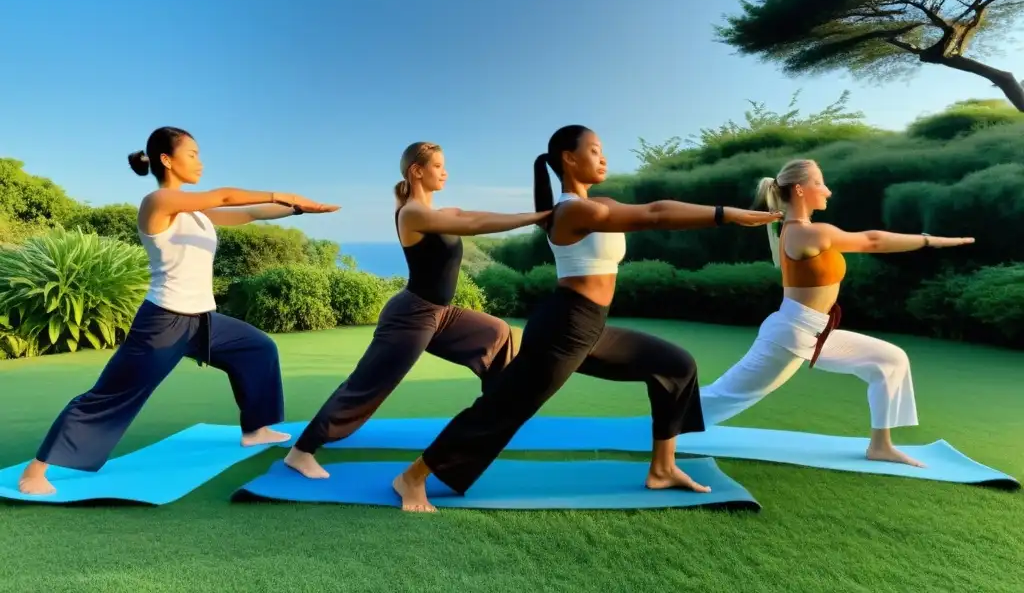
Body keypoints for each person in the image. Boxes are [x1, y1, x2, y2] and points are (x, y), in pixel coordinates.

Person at [391, 125, 783, 512]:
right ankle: (413, 477)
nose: (603, 157)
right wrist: (725, 214)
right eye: (594, 149)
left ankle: (663, 469)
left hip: (590, 326)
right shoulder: (572, 210)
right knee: (503, 409)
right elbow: (655, 214)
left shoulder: (602, 205)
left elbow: (654, 208)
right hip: (564, 326)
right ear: (568, 158)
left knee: (676, 366)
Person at [18, 126, 339, 495]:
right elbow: (226, 196)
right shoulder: (157, 203)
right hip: (164, 322)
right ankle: (37, 469)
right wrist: (285, 193)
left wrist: (299, 209)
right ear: (167, 160)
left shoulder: (197, 214)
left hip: (203, 319)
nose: (199, 162)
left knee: (257, 348)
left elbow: (247, 212)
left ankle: (256, 429)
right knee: (112, 393)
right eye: (192, 154)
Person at [283, 141, 552, 479]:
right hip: (412, 316)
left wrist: (536, 217)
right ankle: (302, 451)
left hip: (442, 313)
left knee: (496, 333)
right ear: (417, 170)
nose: (445, 172)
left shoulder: (438, 213)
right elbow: (475, 224)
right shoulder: (412, 213)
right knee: (368, 384)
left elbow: (470, 216)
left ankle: (499, 414)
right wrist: (540, 216)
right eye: (438, 166)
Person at [698, 158, 975, 468]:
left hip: (818, 331)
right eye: (820, 183)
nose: (827, 191)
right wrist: (931, 240)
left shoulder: (800, 230)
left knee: (890, 360)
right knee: (725, 396)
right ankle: (662, 420)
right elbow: (873, 240)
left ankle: (880, 446)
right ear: (800, 190)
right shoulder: (807, 233)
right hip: (790, 334)